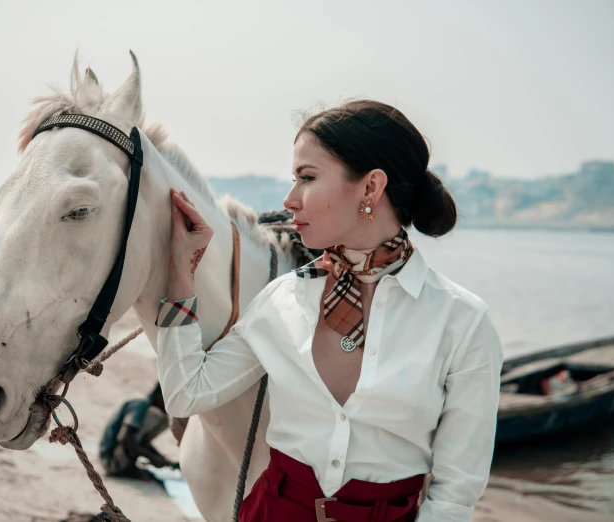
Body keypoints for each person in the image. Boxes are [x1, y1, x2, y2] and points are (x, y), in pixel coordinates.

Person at [155, 100, 504, 521]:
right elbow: (185, 393)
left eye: (307, 178)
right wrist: (181, 273)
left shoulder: (463, 323)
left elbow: (454, 494)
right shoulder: (281, 300)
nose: (289, 199)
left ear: (371, 188)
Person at [99, 383, 176, 480]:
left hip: (115, 454)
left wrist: (160, 458)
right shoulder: (141, 404)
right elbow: (125, 438)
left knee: (164, 419)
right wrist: (153, 458)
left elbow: (141, 441)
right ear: (161, 396)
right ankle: (125, 468)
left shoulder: (146, 404)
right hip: (110, 460)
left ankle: (128, 466)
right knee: (157, 417)